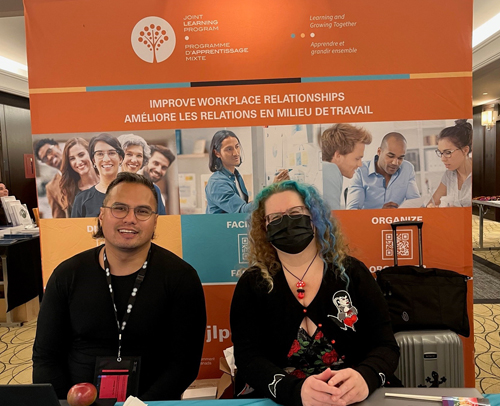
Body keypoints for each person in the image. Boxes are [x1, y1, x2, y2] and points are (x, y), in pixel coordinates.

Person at [33, 172, 207, 400]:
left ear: (155, 220)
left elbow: (184, 365)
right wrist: (63, 402)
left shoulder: (181, 278)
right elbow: (46, 357)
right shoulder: (67, 275)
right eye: (120, 208)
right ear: (102, 215)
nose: (130, 219)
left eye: (142, 211)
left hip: (151, 403)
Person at [230, 180, 400, 406]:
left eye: (295, 212)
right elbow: (248, 357)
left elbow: (386, 346)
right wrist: (294, 391)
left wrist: (365, 378)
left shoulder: (353, 273)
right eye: (276, 218)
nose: (287, 222)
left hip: (353, 398)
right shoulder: (252, 284)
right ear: (265, 227)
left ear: (314, 216)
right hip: (280, 400)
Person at [205, 130, 289, 214]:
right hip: (221, 227)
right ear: (217, 153)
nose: (235, 153)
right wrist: (272, 190)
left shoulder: (235, 176)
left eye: (237, 146)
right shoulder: (218, 183)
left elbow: (244, 205)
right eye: (229, 149)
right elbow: (242, 211)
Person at [346, 132, 420, 209]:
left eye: (400, 158)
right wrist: (380, 214)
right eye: (390, 156)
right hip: (369, 221)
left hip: (398, 220)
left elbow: (415, 203)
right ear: (379, 152)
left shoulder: (407, 168)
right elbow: (352, 211)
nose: (395, 163)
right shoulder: (360, 171)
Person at [71, 133, 124, 218]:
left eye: (111, 153)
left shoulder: (135, 194)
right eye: (100, 154)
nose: (106, 159)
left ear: (120, 158)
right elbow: (74, 231)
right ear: (94, 160)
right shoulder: (82, 200)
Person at [321, 124, 372, 210]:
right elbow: (332, 219)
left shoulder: (324, 170)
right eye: (357, 158)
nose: (360, 164)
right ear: (338, 155)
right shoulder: (330, 170)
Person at [427, 120, 472, 208]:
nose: (442, 159)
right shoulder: (449, 175)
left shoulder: (483, 175)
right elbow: (431, 203)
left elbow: (488, 212)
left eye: (448, 152)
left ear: (465, 150)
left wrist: (455, 212)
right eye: (440, 153)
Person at [118, 134, 166, 215]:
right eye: (129, 154)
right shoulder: (106, 187)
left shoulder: (153, 189)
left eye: (139, 155)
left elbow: (162, 222)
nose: (134, 160)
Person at [59, 138, 99, 217]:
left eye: (81, 155)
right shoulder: (71, 192)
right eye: (72, 158)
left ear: (91, 154)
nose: (78, 162)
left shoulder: (109, 181)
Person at [34, 138, 66, 218]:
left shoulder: (83, 168)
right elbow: (59, 219)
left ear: (57, 146)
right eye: (45, 158)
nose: (49, 157)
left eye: (49, 151)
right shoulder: (51, 188)